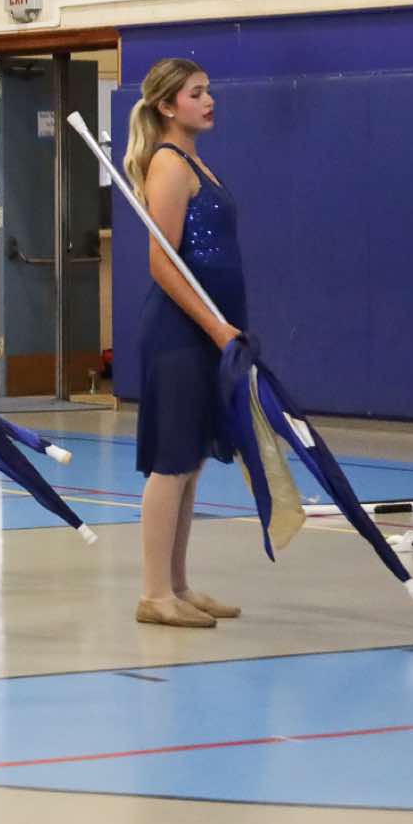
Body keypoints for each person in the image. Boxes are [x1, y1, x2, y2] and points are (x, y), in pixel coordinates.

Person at [126, 58, 244, 628]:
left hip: (208, 331)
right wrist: (214, 327)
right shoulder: (169, 165)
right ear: (167, 106)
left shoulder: (196, 161)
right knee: (172, 461)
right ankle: (154, 593)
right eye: (197, 93)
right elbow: (163, 263)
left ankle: (178, 584)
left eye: (209, 90)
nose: (209, 100)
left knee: (191, 461)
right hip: (180, 333)